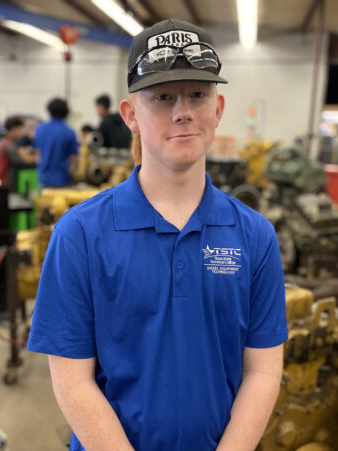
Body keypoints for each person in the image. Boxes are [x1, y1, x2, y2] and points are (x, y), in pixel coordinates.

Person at [28, 19, 288, 451]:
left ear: (218, 109)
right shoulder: (79, 234)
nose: (182, 110)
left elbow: (262, 370)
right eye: (163, 96)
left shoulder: (254, 236)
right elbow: (72, 380)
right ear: (131, 115)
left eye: (198, 94)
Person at [34, 98, 78, 187]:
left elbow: (38, 154)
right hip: (62, 179)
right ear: (66, 112)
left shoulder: (39, 129)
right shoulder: (70, 132)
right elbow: (73, 158)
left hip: (43, 177)